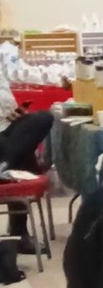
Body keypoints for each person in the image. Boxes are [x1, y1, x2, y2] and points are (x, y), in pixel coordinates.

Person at [0, 74, 54, 255]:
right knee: (24, 154)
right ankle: (19, 233)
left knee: (43, 118)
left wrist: (15, 114)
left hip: (6, 132)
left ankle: (5, 165)